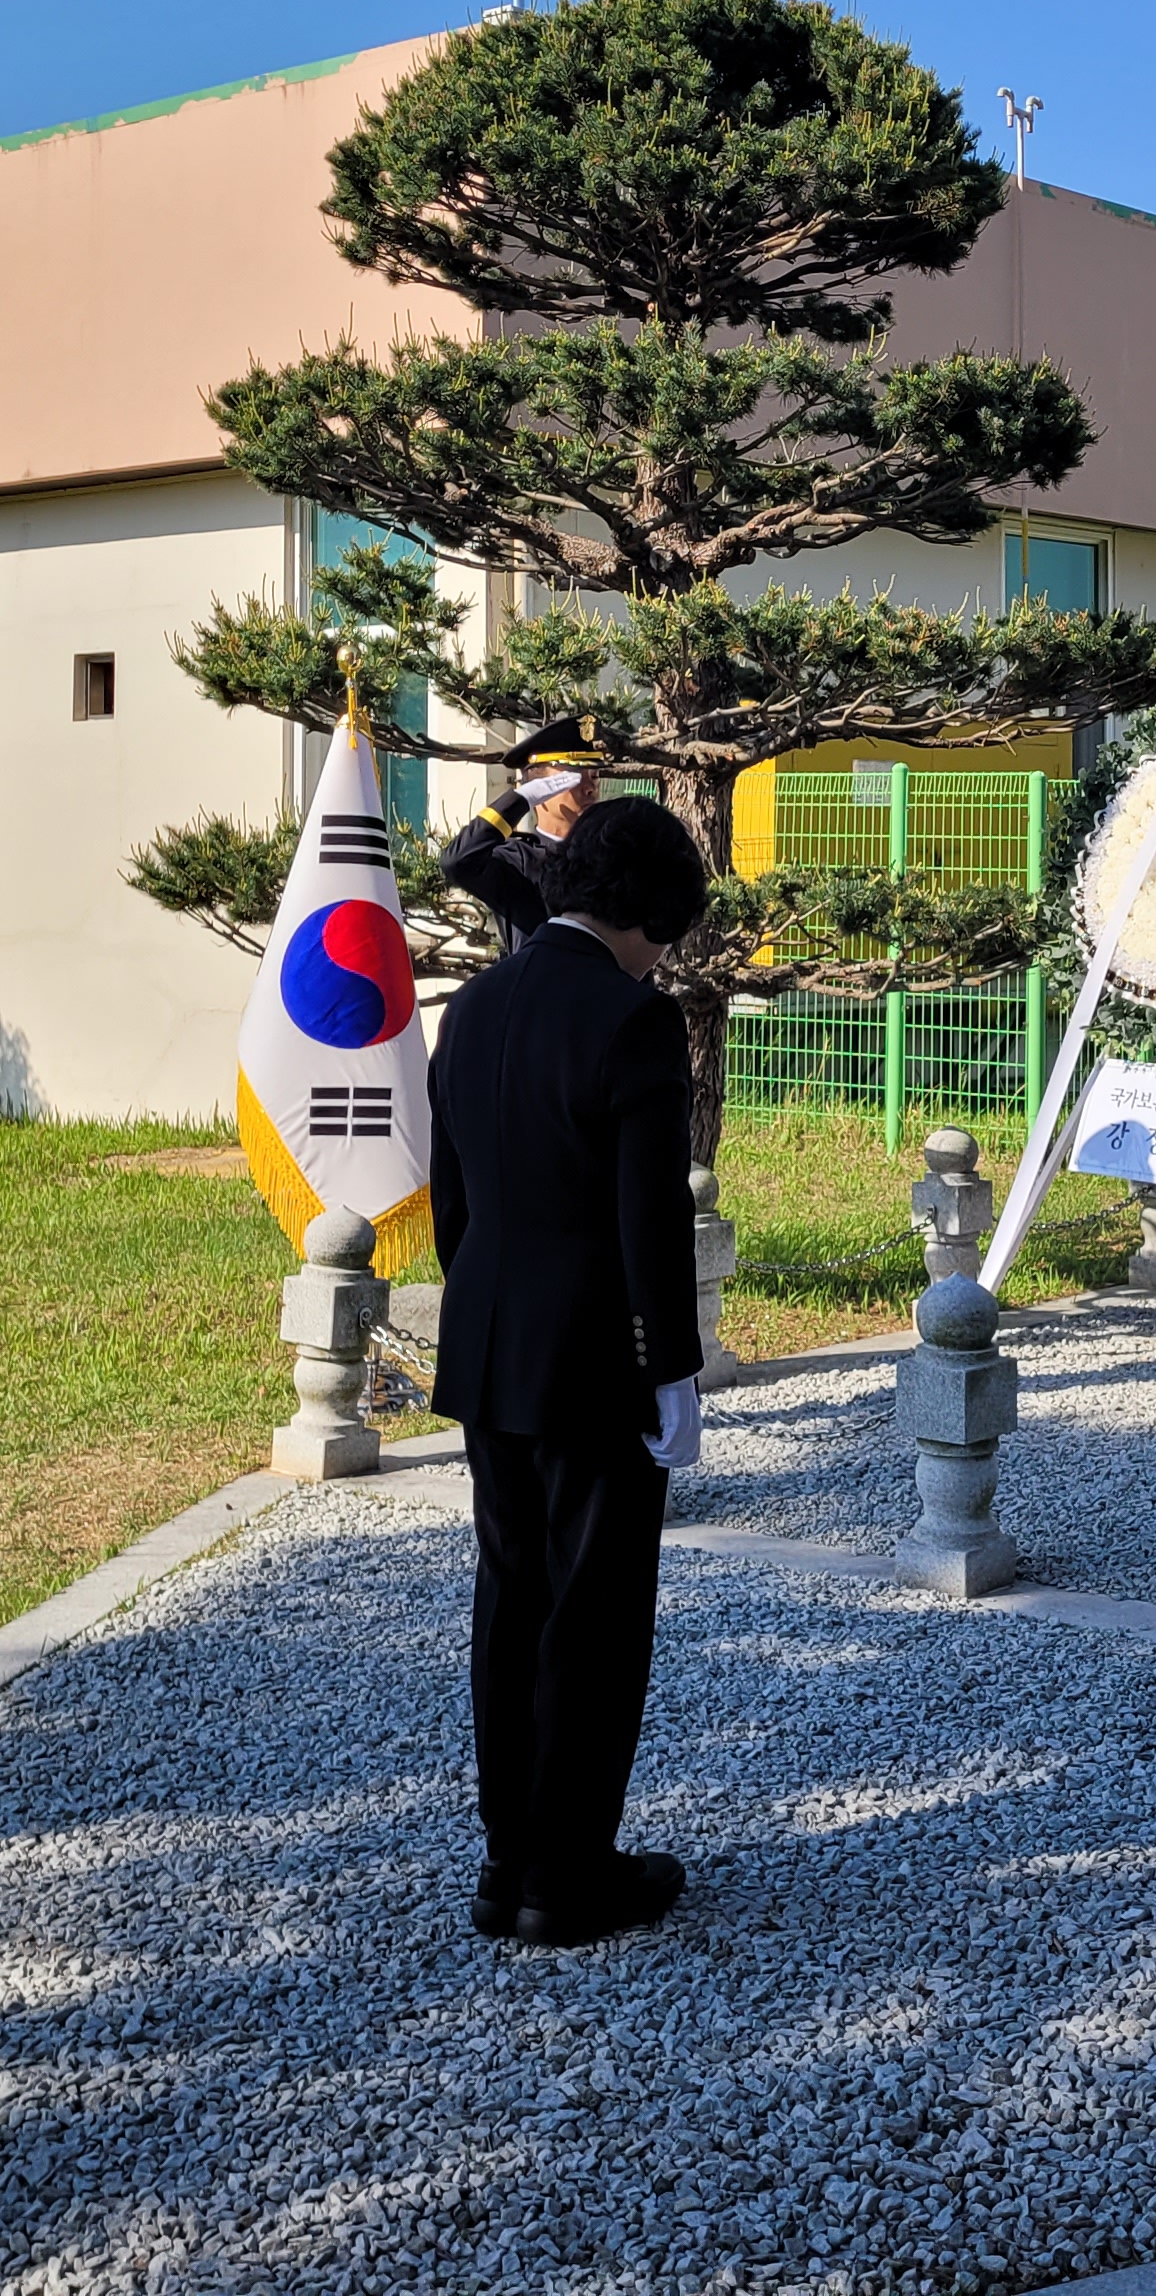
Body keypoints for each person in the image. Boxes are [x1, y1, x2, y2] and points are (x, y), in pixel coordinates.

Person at [427, 789, 714, 1948]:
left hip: (487, 1345)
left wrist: (487, 1312)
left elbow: (453, 1203)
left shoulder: (473, 1004)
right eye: (666, 934)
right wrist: (670, 1369)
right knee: (593, 1618)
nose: (662, 958)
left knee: (511, 1603)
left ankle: (509, 1858)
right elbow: (650, 1218)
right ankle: (569, 1873)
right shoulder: (631, 1018)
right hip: (596, 1361)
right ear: (649, 913)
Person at [435, 714, 616, 958]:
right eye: (573, 777)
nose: (590, 789)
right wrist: (519, 800)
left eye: (594, 777)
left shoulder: (612, 856)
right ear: (538, 788)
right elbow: (457, 862)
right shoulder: (517, 860)